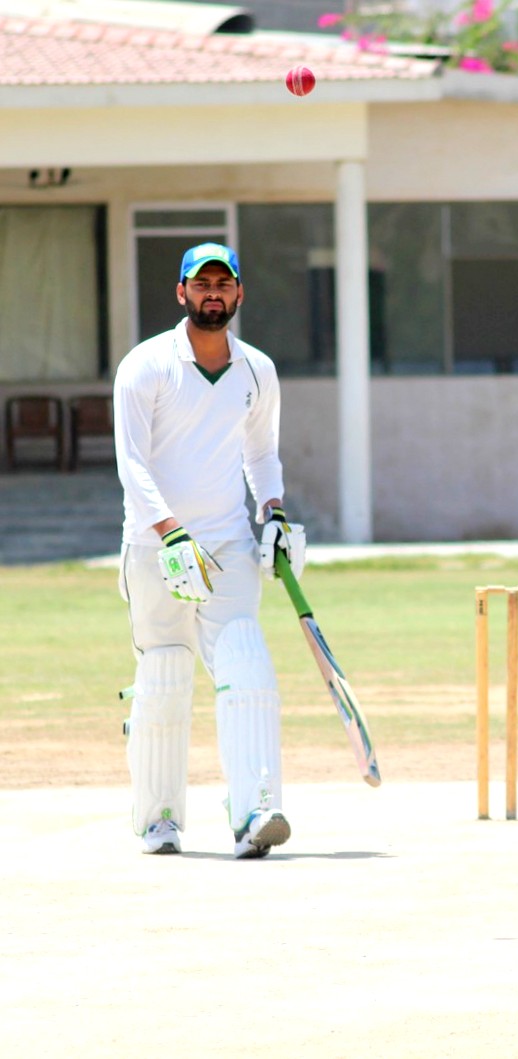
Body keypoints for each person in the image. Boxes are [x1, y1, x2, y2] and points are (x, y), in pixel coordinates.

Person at [113, 242, 305, 859]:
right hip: (156, 546)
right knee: (166, 672)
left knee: (246, 663)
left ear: (239, 293)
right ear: (182, 293)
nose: (213, 294)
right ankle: (159, 819)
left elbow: (261, 454)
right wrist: (171, 531)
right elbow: (132, 464)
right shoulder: (146, 365)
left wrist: (273, 512)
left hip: (227, 542)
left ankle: (255, 811)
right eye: (202, 284)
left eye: (223, 284)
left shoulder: (257, 370)